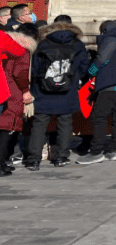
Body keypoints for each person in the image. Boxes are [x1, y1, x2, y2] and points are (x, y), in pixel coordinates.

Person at [26, 19, 89, 170]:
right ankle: (61, 157)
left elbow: (34, 68)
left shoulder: (42, 43)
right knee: (65, 124)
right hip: (67, 90)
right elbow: (83, 68)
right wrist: (72, 80)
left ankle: (34, 160)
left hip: (42, 90)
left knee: (39, 124)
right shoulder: (77, 44)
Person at [77, 20, 116, 165]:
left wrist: (91, 72)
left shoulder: (112, 38)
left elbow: (102, 59)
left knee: (99, 116)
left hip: (111, 84)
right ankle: (113, 150)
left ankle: (96, 152)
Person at [0, 26, 36, 174]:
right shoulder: (20, 49)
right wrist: (25, 91)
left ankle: (3, 162)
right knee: (5, 128)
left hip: (6, 87)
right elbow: (20, 72)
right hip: (10, 90)